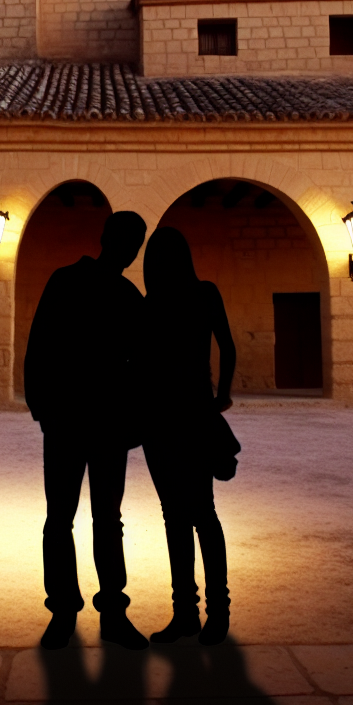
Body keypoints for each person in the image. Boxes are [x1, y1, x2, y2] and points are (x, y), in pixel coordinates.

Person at [24, 209, 150, 651]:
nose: (130, 250)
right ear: (107, 238)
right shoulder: (77, 284)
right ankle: (70, 609)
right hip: (71, 420)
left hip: (102, 423)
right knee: (67, 518)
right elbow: (39, 346)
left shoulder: (120, 294)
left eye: (136, 243)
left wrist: (133, 423)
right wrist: (43, 410)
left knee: (98, 519)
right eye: (127, 240)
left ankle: (103, 611)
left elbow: (143, 366)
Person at [140, 226, 236, 646]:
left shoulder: (150, 305)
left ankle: (187, 613)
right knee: (203, 515)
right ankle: (216, 613)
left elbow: (137, 365)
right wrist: (222, 397)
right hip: (195, 413)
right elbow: (228, 348)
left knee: (176, 518)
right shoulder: (206, 293)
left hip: (159, 420)